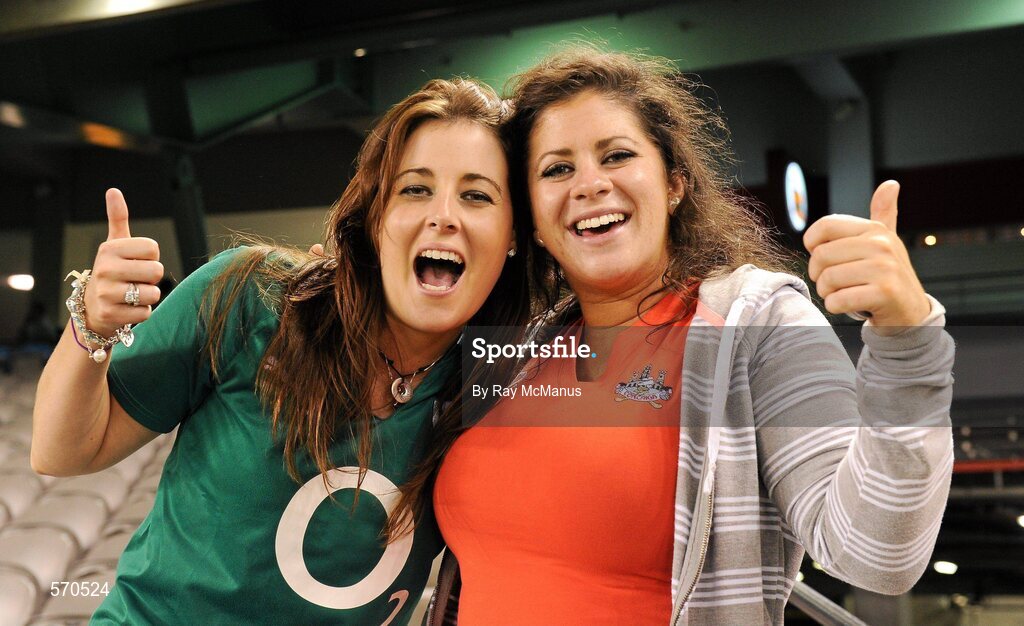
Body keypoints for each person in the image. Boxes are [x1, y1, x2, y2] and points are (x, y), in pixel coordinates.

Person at [429, 48, 955, 625]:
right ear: (531, 218)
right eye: (557, 169)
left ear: (674, 182)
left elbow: (877, 552)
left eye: (618, 155)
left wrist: (906, 341)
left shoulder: (755, 325)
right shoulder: (517, 356)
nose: (590, 184)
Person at [31, 78, 529, 624]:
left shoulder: (504, 381)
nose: (444, 216)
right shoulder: (253, 298)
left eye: (476, 195)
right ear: (375, 218)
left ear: (512, 234)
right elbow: (61, 453)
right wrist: (91, 327)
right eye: (414, 189)